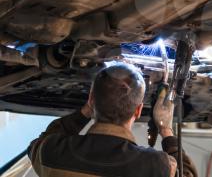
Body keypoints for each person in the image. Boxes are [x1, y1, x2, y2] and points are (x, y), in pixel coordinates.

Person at [28, 63, 198, 177]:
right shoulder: (156, 166)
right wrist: (165, 129)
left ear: (91, 100)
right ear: (138, 110)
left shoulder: (53, 153)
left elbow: (39, 143)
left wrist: (85, 111)